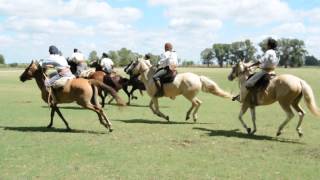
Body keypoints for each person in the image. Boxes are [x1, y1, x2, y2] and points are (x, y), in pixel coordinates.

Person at [234, 38, 279, 102]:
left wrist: (251, 65)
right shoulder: (274, 52)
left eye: (267, 44)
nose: (266, 46)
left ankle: (252, 98)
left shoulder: (268, 52)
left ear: (269, 45)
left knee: (248, 83)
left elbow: (262, 60)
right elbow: (268, 62)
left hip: (265, 72)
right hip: (272, 71)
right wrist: (259, 66)